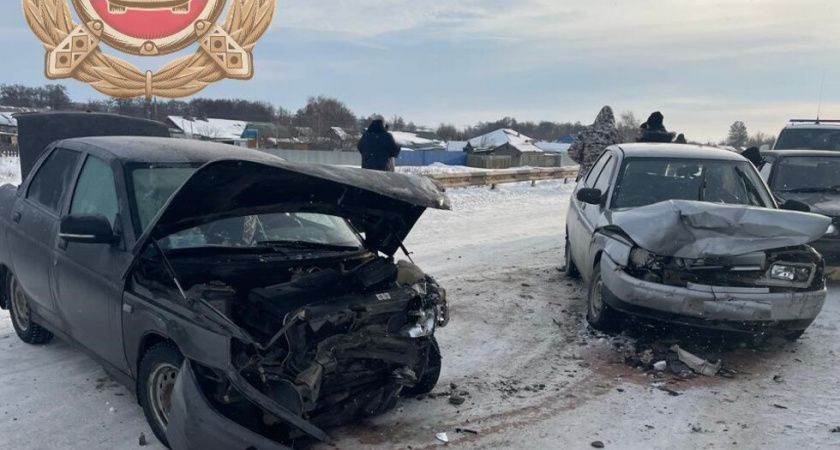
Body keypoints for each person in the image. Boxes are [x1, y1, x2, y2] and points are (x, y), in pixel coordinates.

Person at [568, 106, 622, 175]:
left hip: (587, 174)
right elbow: (621, 154)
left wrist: (584, 161)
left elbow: (572, 151)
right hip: (607, 174)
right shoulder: (616, 133)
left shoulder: (587, 130)